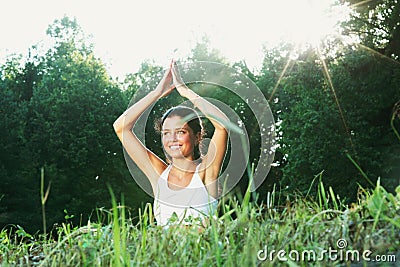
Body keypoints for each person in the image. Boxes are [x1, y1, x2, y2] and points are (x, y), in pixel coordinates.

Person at [113, 60, 229, 226]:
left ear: (197, 137)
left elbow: (223, 126)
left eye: (180, 132)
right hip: (164, 252)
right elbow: (120, 128)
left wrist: (186, 91)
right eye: (166, 133)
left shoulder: (206, 173)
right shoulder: (159, 175)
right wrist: (156, 93)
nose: (172, 139)